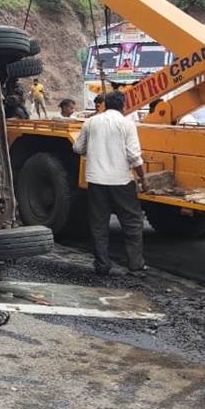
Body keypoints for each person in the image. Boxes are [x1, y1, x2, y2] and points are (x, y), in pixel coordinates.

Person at [73, 90, 147, 275]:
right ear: (124, 106)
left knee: (99, 223)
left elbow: (77, 147)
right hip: (121, 180)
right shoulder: (127, 124)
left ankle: (102, 264)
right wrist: (143, 179)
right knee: (132, 222)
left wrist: (95, 150)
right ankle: (135, 265)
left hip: (96, 181)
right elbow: (134, 157)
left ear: (105, 104)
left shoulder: (91, 122)